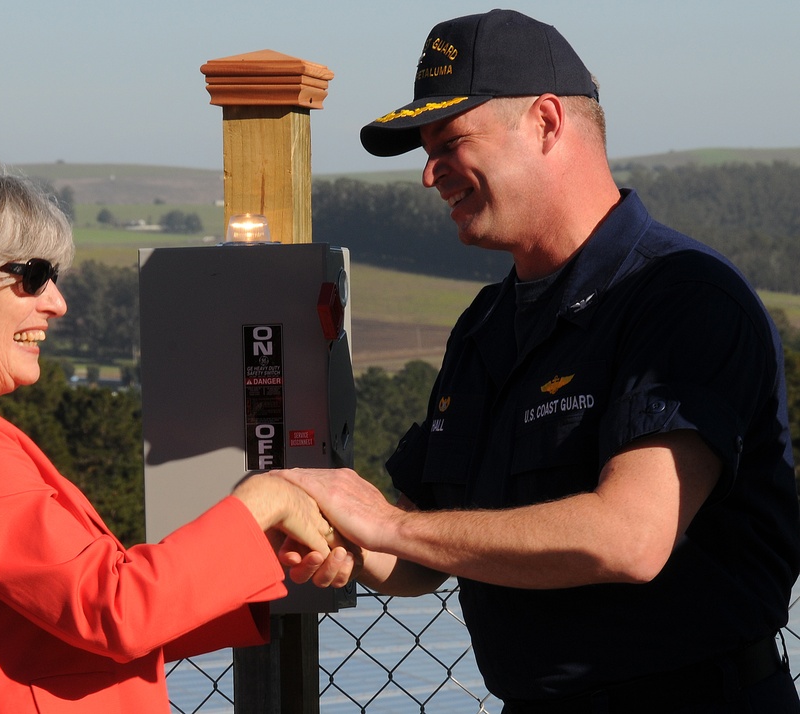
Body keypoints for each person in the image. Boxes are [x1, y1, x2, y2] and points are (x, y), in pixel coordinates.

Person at [280, 9, 800, 713]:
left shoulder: (681, 299)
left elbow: (631, 539)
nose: (430, 176)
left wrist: (391, 527)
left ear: (548, 122)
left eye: (450, 141)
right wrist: (334, 529)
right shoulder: (487, 326)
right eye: (423, 151)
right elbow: (419, 549)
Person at [0, 153, 350, 713]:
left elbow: (50, 627)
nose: (57, 302)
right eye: (32, 276)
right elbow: (111, 609)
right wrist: (261, 501)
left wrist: (258, 555)